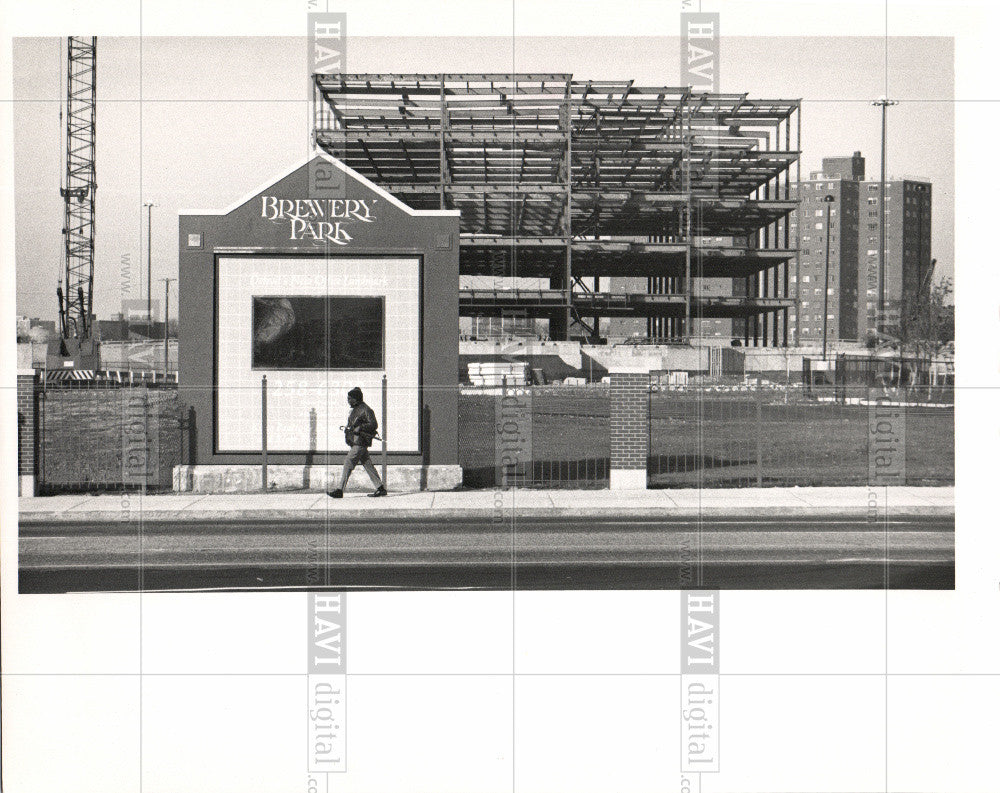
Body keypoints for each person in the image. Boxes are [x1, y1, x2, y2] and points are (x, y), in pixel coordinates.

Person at [328, 387, 387, 498]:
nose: (348, 400)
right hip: (356, 442)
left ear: (356, 399)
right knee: (367, 465)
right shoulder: (356, 409)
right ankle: (380, 488)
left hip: (360, 442)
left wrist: (360, 427)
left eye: (350, 398)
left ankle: (340, 490)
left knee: (348, 462)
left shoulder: (366, 409)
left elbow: (373, 424)